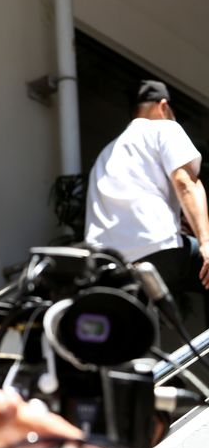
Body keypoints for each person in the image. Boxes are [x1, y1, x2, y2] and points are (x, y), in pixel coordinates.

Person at [85, 80, 209, 316]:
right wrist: (206, 243)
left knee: (134, 331)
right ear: (163, 106)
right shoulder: (164, 128)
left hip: (108, 268)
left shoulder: (105, 154)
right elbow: (186, 182)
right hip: (157, 249)